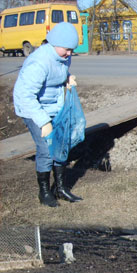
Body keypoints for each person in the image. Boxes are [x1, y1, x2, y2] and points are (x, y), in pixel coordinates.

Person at [13, 22, 83, 208]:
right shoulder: (38, 62)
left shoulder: (63, 56)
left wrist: (68, 78)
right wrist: (44, 122)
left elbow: (59, 71)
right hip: (32, 108)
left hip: (54, 107)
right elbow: (25, 95)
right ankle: (44, 192)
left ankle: (60, 188)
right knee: (45, 148)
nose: (69, 54)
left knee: (60, 145)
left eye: (71, 50)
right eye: (67, 49)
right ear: (54, 43)